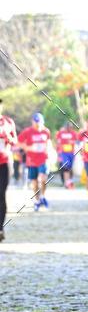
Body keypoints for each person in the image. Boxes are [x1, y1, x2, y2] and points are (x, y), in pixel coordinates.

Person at [18, 112, 52, 210]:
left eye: (39, 122)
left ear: (42, 122)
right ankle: (37, 201)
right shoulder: (27, 131)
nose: (37, 124)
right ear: (32, 122)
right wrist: (29, 148)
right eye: (36, 122)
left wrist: (49, 150)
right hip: (32, 160)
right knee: (35, 182)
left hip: (43, 159)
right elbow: (18, 142)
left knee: (43, 179)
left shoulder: (46, 131)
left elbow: (48, 142)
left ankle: (43, 196)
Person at [0, 100, 17, 241]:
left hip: (3, 163)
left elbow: (15, 141)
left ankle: (0, 228)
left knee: (1, 195)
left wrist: (7, 136)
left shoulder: (8, 122)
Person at [55, 121, 78, 188]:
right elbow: (58, 143)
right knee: (66, 167)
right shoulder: (61, 133)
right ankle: (66, 183)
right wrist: (59, 154)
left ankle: (69, 182)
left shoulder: (74, 133)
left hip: (71, 153)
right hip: (64, 153)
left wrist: (72, 142)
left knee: (70, 168)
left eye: (70, 127)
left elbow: (77, 142)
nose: (68, 128)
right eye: (67, 127)